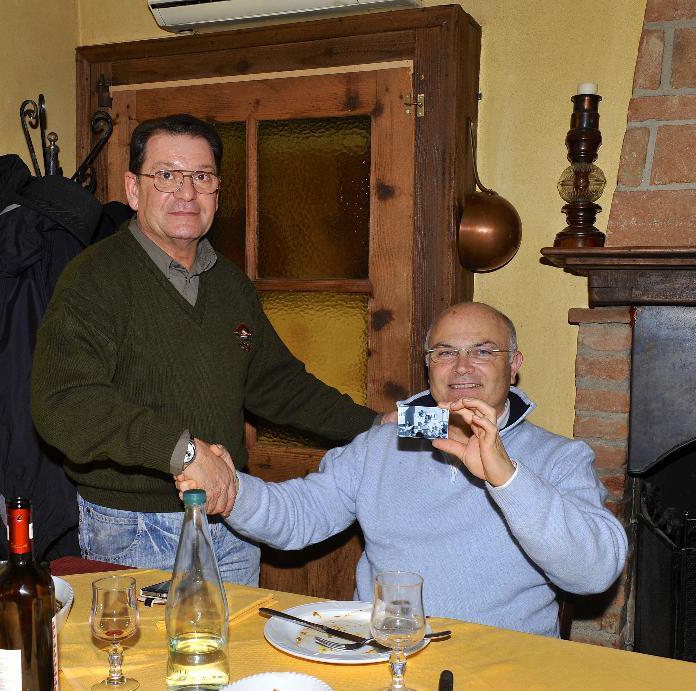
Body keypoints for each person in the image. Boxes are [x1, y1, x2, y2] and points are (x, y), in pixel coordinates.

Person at [31, 114, 383, 586]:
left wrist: (376, 426)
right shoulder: (94, 279)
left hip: (231, 516)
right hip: (137, 529)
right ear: (134, 190)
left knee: (236, 638)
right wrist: (183, 452)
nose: (186, 193)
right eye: (167, 175)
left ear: (217, 192)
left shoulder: (230, 285)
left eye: (201, 177)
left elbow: (277, 384)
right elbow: (64, 406)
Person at [179, 302, 628, 636]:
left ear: (514, 366)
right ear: (428, 365)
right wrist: (232, 490)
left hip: (502, 667)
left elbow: (593, 574)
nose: (462, 367)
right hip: (385, 653)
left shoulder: (559, 457)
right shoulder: (382, 444)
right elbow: (298, 515)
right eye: (445, 353)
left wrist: (506, 476)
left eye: (483, 351)